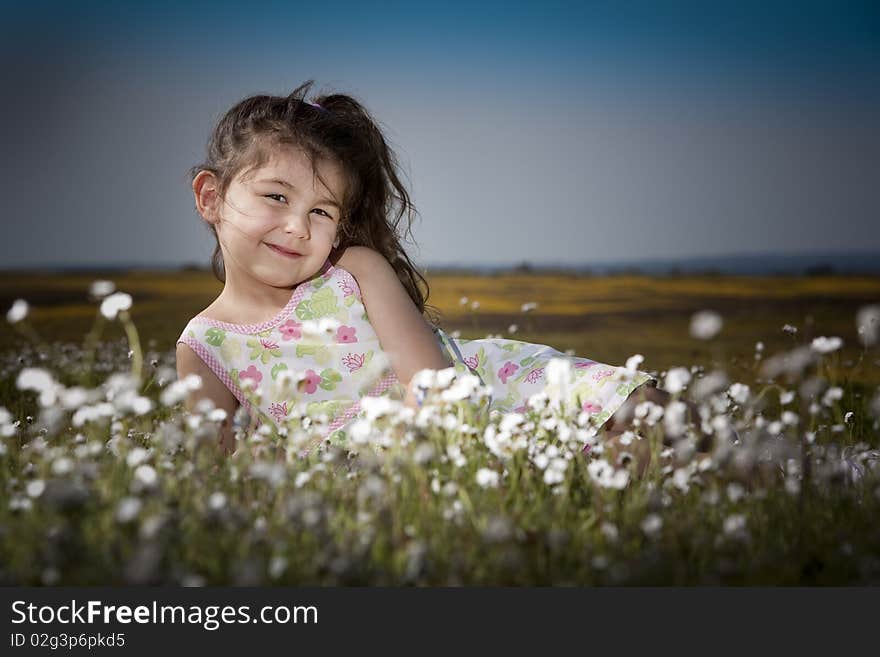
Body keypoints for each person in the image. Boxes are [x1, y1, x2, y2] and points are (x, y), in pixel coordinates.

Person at [176, 80, 704, 472]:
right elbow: (216, 477)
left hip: (481, 395)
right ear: (211, 197)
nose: (296, 227)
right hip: (366, 471)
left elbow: (435, 385)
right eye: (275, 196)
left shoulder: (354, 271)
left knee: (658, 420)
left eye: (321, 212)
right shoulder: (204, 344)